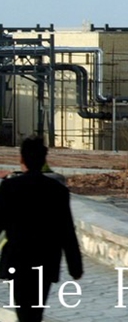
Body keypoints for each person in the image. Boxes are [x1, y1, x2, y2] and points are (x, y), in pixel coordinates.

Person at [0, 136, 83, 322]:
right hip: (46, 261)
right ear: (44, 159)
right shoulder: (57, 190)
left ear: (21, 159)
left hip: (18, 260)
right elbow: (66, 230)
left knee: (23, 310)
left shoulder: (10, 187)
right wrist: (75, 265)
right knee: (36, 310)